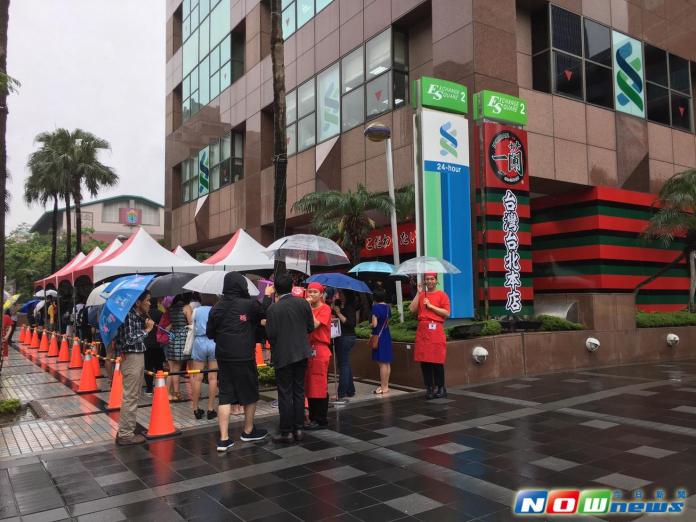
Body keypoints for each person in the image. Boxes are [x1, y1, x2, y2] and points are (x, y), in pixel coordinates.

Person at [206, 272, 272, 451]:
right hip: (244, 356)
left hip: (223, 356)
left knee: (225, 395)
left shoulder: (216, 307)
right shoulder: (248, 304)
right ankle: (248, 431)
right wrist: (267, 296)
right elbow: (264, 314)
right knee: (250, 393)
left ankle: (224, 439)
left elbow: (210, 333)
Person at [265, 273, 314, 443]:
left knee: (285, 393)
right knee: (299, 391)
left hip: (283, 354)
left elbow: (270, 335)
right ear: (292, 286)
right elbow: (309, 327)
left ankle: (286, 431)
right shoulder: (303, 304)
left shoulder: (273, 309)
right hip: (301, 352)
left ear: (276, 289)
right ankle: (299, 429)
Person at [114, 290, 155, 445]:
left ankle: (126, 430)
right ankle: (125, 434)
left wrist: (145, 325)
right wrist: (147, 330)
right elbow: (129, 340)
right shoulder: (129, 316)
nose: (150, 303)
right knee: (130, 396)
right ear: (138, 302)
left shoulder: (136, 316)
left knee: (134, 395)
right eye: (148, 300)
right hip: (132, 357)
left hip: (136, 356)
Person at [409, 272, 451, 399]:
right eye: (427, 279)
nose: (430, 281)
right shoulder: (422, 295)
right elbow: (412, 309)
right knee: (425, 361)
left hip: (436, 330)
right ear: (425, 281)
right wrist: (418, 293)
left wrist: (431, 306)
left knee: (437, 361)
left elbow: (446, 313)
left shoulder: (442, 295)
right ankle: (429, 388)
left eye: (432, 279)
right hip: (423, 330)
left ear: (436, 280)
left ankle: (441, 387)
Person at [304, 282, 332, 430]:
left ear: (321, 294)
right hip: (308, 349)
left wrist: (307, 307)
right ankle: (313, 416)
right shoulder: (308, 307)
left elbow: (314, 325)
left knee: (319, 384)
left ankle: (320, 418)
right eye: (310, 292)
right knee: (310, 384)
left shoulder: (325, 308)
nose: (312, 295)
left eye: (315, 292)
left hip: (320, 349)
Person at [190, 294, 218, 420]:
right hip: (213, 342)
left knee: (197, 377)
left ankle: (196, 409)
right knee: (213, 378)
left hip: (199, 342)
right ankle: (211, 409)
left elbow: (192, 327)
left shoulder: (196, 311)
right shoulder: (216, 310)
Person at [165, 294, 192, 402]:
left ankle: (168, 393)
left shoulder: (171, 308)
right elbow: (191, 324)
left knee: (172, 369)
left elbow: (171, 323)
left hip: (172, 337)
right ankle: (176, 393)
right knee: (177, 369)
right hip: (182, 339)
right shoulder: (187, 308)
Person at [332, 290, 357, 400]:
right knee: (345, 363)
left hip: (346, 337)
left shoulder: (349, 307)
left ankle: (341, 393)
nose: (339, 295)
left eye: (341, 293)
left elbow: (351, 323)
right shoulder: (339, 304)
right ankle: (350, 390)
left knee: (343, 365)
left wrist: (338, 313)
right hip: (340, 337)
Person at [371, 287, 393, 394]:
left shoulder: (375, 307)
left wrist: (371, 324)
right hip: (386, 334)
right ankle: (386, 385)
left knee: (382, 363)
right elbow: (387, 322)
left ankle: (383, 387)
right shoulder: (388, 307)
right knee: (387, 362)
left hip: (378, 336)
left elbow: (374, 324)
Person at [143, 299, 165, 395]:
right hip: (158, 344)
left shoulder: (144, 314)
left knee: (148, 366)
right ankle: (160, 386)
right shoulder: (161, 314)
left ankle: (149, 389)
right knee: (159, 366)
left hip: (146, 343)